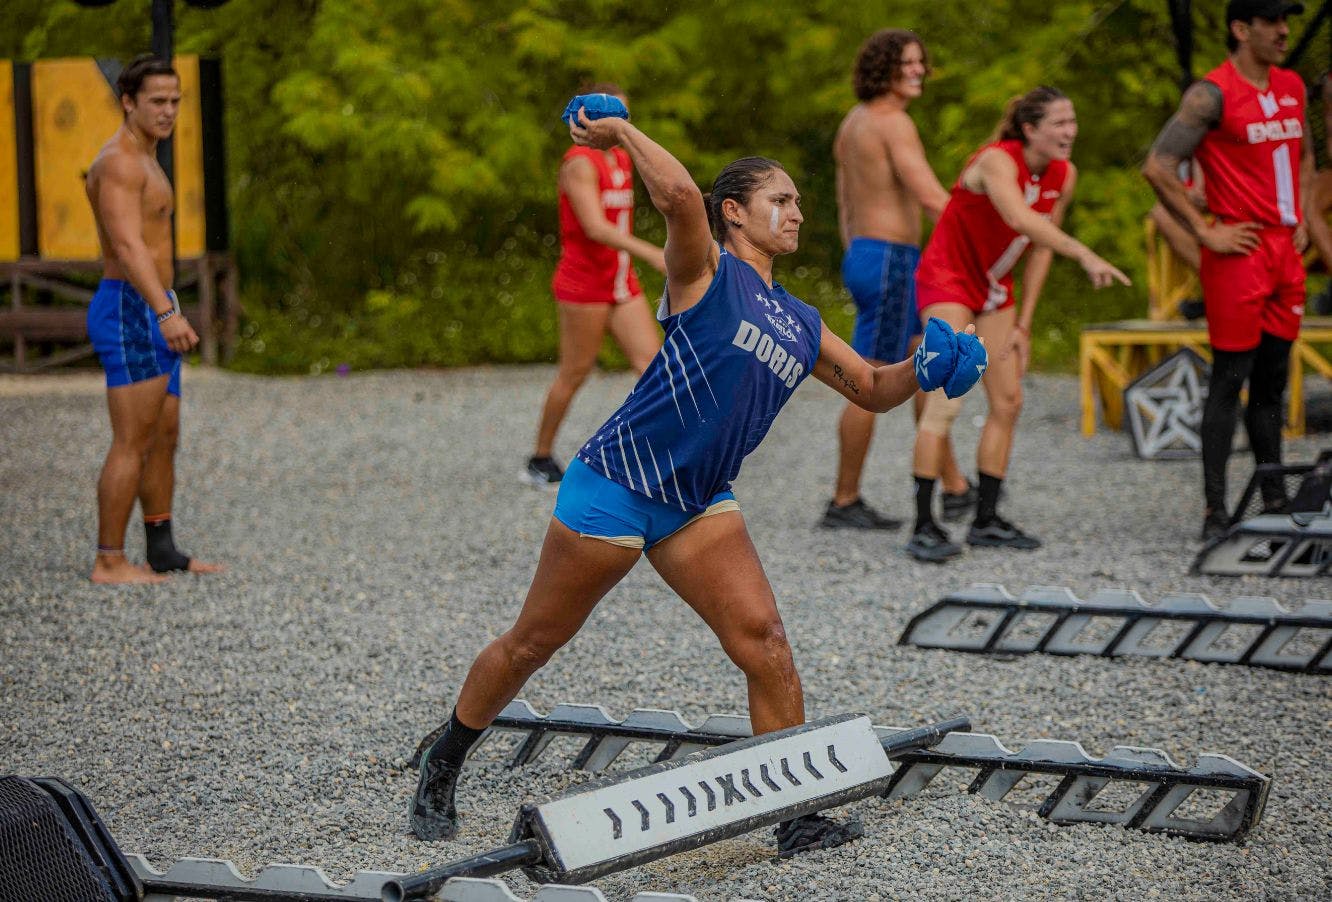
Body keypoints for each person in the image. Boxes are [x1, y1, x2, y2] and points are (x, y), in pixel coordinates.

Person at [408, 97, 986, 856]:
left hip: (696, 504)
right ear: (734, 213)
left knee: (766, 642)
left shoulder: (801, 320)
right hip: (616, 484)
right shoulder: (703, 272)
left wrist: (927, 367)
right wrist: (617, 132)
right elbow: (679, 196)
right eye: (781, 200)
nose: (797, 213)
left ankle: (797, 814)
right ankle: (443, 759)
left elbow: (873, 389)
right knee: (533, 643)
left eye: (800, 203)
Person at [907, 86, 1130, 562]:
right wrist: (1085, 252)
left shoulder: (1063, 175)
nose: (1070, 131)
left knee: (1008, 401)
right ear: (1031, 129)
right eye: (1059, 123)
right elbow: (1018, 217)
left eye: (1073, 121)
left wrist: (1025, 322)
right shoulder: (995, 161)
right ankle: (924, 523)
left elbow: (1041, 245)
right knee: (946, 399)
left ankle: (986, 519)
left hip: (994, 289)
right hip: (948, 280)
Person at [1143, 0, 1332, 540]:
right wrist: (1204, 230)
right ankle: (1214, 511)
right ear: (1241, 29)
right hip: (1237, 249)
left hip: (1283, 250)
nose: (1284, 31)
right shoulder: (1211, 93)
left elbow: (1304, 155)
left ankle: (1273, 495)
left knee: (1274, 378)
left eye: (1287, 20)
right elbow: (1156, 166)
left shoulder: (1293, 86)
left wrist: (1301, 211)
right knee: (1230, 378)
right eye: (1273, 21)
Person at [822, 28, 973, 530]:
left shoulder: (852, 123)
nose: (918, 70)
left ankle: (953, 486)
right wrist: (984, 238)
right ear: (883, 68)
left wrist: (860, 253)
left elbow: (845, 202)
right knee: (869, 377)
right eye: (907, 63)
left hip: (871, 255)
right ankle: (844, 501)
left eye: (920, 62)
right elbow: (931, 195)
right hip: (890, 260)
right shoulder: (892, 123)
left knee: (919, 365)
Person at [84, 55, 222, 584]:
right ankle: (109, 559)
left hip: (152, 304)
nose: (168, 111)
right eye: (157, 101)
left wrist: (165, 305)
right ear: (128, 102)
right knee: (132, 440)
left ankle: (161, 550)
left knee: (164, 435)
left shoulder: (146, 157)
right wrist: (165, 310)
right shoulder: (119, 161)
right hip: (130, 307)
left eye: (175, 101)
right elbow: (125, 243)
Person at [526, 83, 667, 487]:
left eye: (625, 115)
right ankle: (540, 456)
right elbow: (594, 226)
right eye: (612, 115)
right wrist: (652, 252)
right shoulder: (579, 163)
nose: (621, 123)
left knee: (653, 367)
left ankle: (657, 455)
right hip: (583, 283)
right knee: (575, 371)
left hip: (620, 280)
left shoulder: (622, 157)